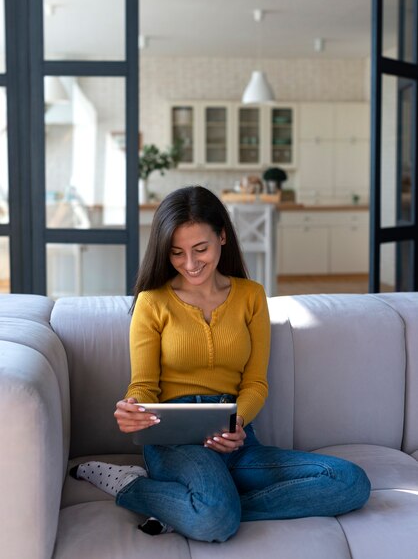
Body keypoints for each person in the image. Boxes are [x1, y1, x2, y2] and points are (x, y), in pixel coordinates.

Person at [71, 185, 371, 542]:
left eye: (201, 248)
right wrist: (132, 407)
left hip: (235, 436)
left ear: (223, 237)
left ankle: (188, 506)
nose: (190, 263)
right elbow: (144, 385)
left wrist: (237, 422)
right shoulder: (153, 302)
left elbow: (256, 383)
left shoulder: (251, 296)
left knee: (350, 482)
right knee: (216, 519)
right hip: (174, 440)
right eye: (177, 253)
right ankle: (133, 485)